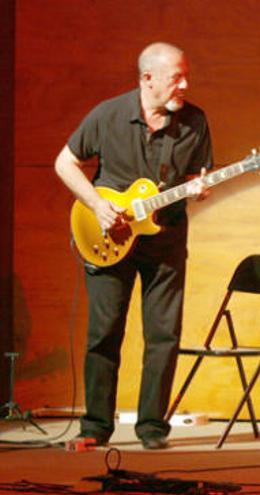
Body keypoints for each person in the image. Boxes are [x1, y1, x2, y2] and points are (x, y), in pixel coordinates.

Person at [55, 42, 213, 450]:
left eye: (185, 75)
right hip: (108, 236)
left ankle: (152, 428)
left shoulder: (195, 122)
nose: (185, 84)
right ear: (147, 79)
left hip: (166, 241)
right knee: (104, 332)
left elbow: (199, 178)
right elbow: (64, 163)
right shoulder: (108, 115)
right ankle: (94, 427)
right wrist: (96, 204)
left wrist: (198, 190)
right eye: (175, 77)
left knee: (164, 334)